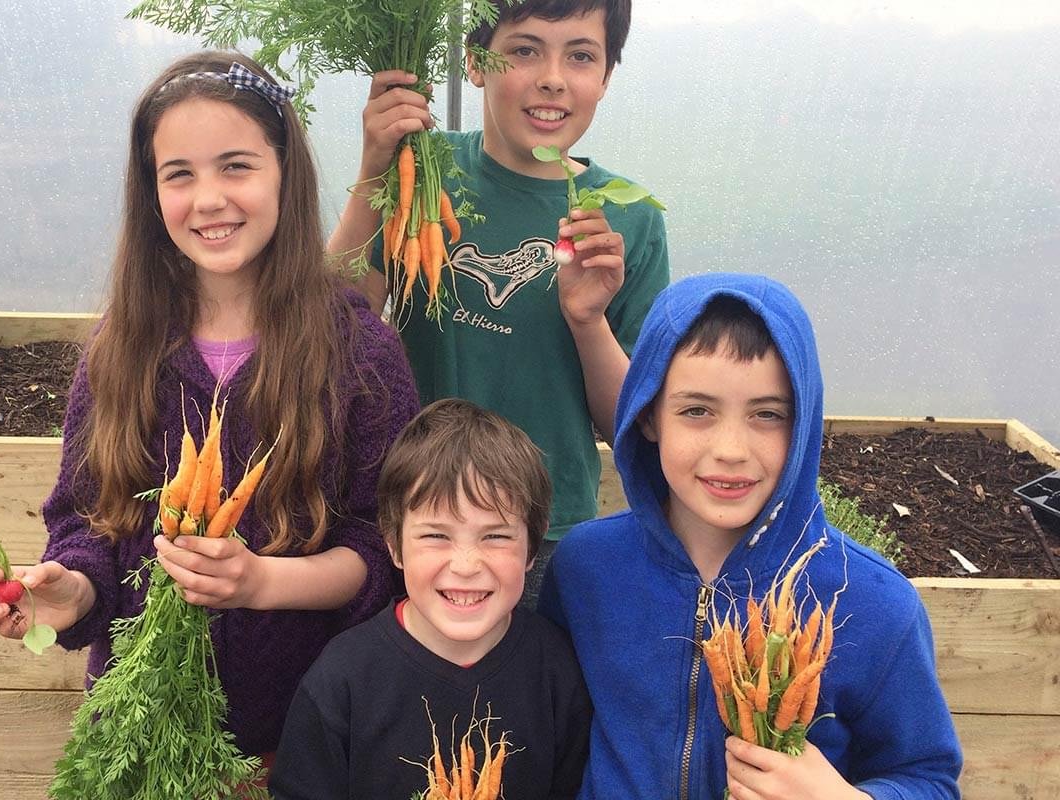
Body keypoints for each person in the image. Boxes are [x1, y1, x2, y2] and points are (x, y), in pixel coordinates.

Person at [0, 51, 419, 763]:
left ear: (284, 174)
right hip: (145, 737)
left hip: (312, 735)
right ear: (151, 194)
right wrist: (73, 592)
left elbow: (383, 546)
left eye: (236, 165)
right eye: (179, 174)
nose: (208, 199)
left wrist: (263, 582)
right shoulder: (122, 351)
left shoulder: (361, 351)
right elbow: (87, 522)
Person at [538, 273, 963, 799]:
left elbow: (929, 777)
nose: (731, 449)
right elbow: (554, 730)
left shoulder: (873, 602)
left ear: (803, 423)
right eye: (697, 411)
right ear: (648, 417)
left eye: (767, 414)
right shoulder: (586, 568)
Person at [329, 0, 670, 604]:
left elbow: (629, 422)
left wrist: (588, 321)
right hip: (413, 514)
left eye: (581, 55)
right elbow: (330, 326)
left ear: (607, 76)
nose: (553, 78)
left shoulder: (628, 219)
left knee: (532, 692)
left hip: (547, 531)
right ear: (475, 62)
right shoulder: (424, 169)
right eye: (525, 49)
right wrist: (374, 169)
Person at [269, 398, 592, 799]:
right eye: (436, 536)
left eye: (495, 536)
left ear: (531, 547)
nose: (467, 564)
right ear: (394, 545)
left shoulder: (558, 671)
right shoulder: (342, 680)